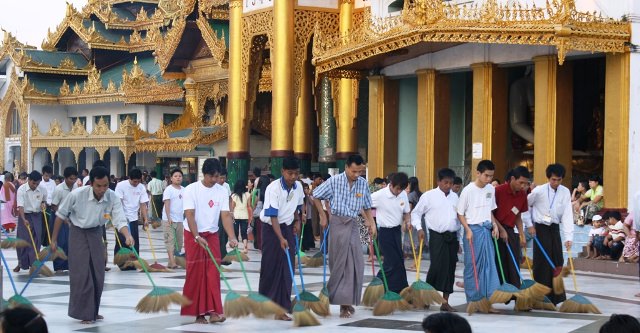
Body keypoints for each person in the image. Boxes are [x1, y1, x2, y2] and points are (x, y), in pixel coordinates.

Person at [50, 166, 134, 324]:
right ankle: (85, 312)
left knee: (98, 272)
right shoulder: (77, 194)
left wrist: (127, 235)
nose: (102, 189)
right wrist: (54, 240)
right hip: (78, 233)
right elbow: (60, 215)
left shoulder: (112, 196)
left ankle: (93, 310)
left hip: (96, 232)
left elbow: (119, 219)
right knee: (81, 273)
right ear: (91, 184)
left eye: (106, 185)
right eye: (98, 186)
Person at [312, 154, 376, 318]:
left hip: (354, 223)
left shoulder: (362, 184)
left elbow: (367, 206)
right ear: (347, 167)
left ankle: (349, 300)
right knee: (340, 263)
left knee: (356, 264)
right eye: (354, 171)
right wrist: (322, 215)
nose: (357, 175)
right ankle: (343, 304)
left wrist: (371, 223)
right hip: (337, 224)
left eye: (360, 172)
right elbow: (315, 195)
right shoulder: (334, 181)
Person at [181, 158, 237, 324]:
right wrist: (197, 236)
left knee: (213, 272)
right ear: (203, 174)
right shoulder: (191, 190)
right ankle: (198, 313)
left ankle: (214, 311)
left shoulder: (221, 190)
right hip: (193, 234)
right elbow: (189, 215)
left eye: (217, 176)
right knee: (196, 272)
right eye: (211, 176)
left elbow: (225, 215)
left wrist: (232, 237)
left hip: (212, 235)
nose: (214, 180)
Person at [259, 157, 305, 320]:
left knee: (287, 268)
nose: (293, 177)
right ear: (283, 172)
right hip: (272, 230)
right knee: (270, 266)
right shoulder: (273, 188)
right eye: (290, 173)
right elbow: (272, 217)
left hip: (287, 227)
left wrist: (297, 221)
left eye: (296, 174)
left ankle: (281, 308)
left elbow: (298, 207)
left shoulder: (298, 187)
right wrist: (280, 238)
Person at [411, 168, 460, 312]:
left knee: (450, 268)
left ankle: (445, 302)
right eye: (445, 182)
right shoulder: (428, 196)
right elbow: (416, 213)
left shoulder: (455, 197)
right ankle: (426, 298)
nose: (448, 186)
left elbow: (459, 218)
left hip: (452, 237)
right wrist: (419, 228)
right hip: (436, 236)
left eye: (451, 183)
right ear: (438, 181)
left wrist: (460, 241)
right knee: (436, 267)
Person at [527, 163, 574, 305]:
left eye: (559, 180)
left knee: (557, 260)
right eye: (553, 179)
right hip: (540, 228)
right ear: (548, 178)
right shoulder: (539, 191)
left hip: (554, 229)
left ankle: (556, 297)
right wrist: (529, 225)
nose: (556, 182)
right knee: (542, 263)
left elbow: (567, 214)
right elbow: (525, 205)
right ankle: (540, 297)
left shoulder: (565, 192)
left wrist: (569, 237)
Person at [456, 160, 500, 312]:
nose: (489, 179)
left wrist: (494, 226)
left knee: (488, 266)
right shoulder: (468, 190)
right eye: (486, 176)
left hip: (486, 230)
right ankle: (473, 301)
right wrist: (467, 230)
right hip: (472, 231)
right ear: (478, 173)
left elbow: (490, 210)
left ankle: (487, 302)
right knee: (472, 266)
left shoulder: (490, 189)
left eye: (491, 176)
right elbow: (460, 213)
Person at [371, 172, 410, 294]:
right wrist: (370, 224)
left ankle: (401, 291)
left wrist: (408, 222)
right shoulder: (379, 195)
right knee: (391, 263)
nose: (399, 191)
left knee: (399, 262)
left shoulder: (403, 194)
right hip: (385, 233)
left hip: (397, 232)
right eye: (398, 188)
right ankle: (375, 289)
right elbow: (362, 206)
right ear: (391, 184)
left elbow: (407, 211)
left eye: (402, 189)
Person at [492, 166, 531, 290]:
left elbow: (518, 215)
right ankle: (499, 292)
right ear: (513, 179)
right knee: (500, 262)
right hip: (495, 230)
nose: (523, 186)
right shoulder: (498, 191)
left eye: (526, 184)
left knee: (514, 262)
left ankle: (515, 294)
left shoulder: (522, 195)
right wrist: (500, 229)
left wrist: (521, 234)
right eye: (521, 183)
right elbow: (490, 213)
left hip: (510, 230)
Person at [14, 171, 47, 273]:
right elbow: (21, 206)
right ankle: (21, 263)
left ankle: (34, 263)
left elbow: (44, 201)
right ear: (29, 180)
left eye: (37, 184)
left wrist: (43, 204)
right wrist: (24, 219)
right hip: (25, 215)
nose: (35, 186)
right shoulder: (21, 190)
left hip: (37, 215)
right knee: (23, 240)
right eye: (34, 183)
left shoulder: (42, 189)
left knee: (37, 239)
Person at [114, 168, 149, 257]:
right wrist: (121, 217)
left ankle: (134, 261)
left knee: (134, 241)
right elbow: (118, 203)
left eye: (138, 181)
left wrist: (145, 219)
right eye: (134, 181)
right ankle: (122, 262)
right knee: (122, 241)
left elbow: (143, 204)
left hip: (134, 218)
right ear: (129, 178)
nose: (136, 183)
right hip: (122, 218)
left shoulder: (141, 187)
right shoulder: (121, 185)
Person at [50, 166, 78, 272]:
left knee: (70, 242)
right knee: (60, 241)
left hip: (71, 217)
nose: (73, 181)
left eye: (75, 178)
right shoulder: (59, 189)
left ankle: (68, 264)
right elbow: (53, 206)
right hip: (59, 217)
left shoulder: (76, 187)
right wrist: (63, 216)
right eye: (71, 178)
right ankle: (59, 266)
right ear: (65, 178)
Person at [162, 169, 185, 269]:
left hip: (180, 219)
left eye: (180, 176)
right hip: (169, 219)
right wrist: (169, 217)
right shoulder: (169, 189)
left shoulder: (184, 189)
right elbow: (167, 204)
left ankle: (173, 261)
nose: (178, 178)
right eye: (175, 176)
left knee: (179, 242)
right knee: (170, 240)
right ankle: (172, 262)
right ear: (171, 178)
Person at [231, 179, 252, 254]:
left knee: (235, 232)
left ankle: (236, 248)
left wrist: (231, 215)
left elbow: (232, 207)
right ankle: (245, 247)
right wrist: (250, 216)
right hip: (245, 216)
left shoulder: (234, 195)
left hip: (236, 216)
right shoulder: (247, 195)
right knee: (244, 232)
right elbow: (249, 206)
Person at [38, 165, 56, 247]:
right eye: (46, 175)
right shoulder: (39, 182)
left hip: (49, 206)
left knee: (49, 224)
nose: (47, 177)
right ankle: (39, 242)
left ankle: (47, 242)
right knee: (41, 225)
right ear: (43, 174)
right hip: (40, 206)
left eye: (49, 175)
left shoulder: (53, 182)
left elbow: (55, 194)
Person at [252, 175, 270, 250]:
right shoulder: (270, 191)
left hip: (259, 215)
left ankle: (260, 246)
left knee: (259, 232)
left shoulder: (257, 192)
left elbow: (254, 204)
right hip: (268, 214)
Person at [217, 168, 231, 263]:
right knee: (217, 236)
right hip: (215, 215)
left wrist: (231, 212)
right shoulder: (213, 187)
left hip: (224, 214)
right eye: (221, 178)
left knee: (224, 236)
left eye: (224, 178)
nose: (222, 180)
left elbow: (230, 199)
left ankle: (223, 255)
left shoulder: (226, 186)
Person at [300, 183, 315, 251]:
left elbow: (312, 203)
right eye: (304, 188)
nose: (306, 190)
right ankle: (302, 246)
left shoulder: (309, 196)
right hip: (302, 217)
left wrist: (308, 195)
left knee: (308, 231)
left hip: (308, 217)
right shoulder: (301, 197)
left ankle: (308, 245)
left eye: (307, 188)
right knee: (303, 232)